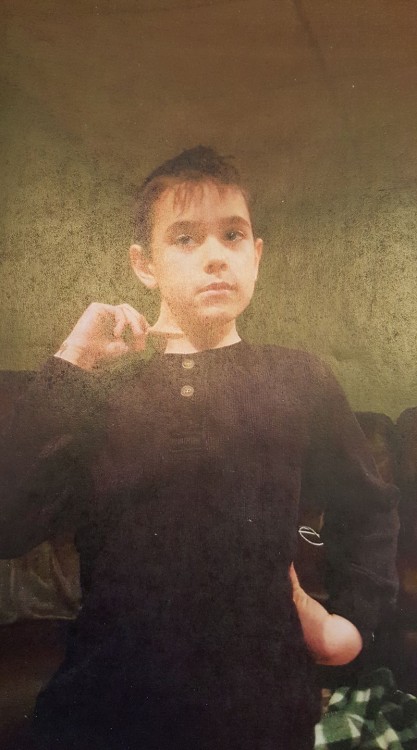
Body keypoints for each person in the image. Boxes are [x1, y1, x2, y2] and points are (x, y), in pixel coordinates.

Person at [0, 146, 399, 750]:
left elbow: (367, 508)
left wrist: (350, 622)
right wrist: (70, 365)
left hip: (256, 707)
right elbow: (9, 523)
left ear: (256, 257)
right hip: (105, 702)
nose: (214, 256)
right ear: (145, 265)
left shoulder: (298, 378)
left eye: (233, 235)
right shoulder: (99, 391)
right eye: (184, 239)